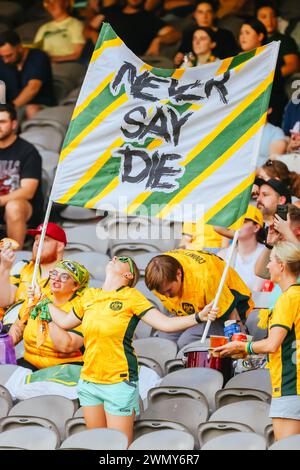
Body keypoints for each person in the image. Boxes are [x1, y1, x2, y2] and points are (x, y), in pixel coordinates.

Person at [30, 255, 218, 445]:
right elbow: (64, 321)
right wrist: (42, 301)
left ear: (128, 274)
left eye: (121, 259)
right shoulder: (90, 295)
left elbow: (165, 324)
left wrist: (198, 317)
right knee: (97, 443)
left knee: (119, 446)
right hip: (89, 380)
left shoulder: (131, 297)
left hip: (118, 381)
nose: (114, 257)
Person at [215, 242, 300, 442]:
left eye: (271, 261)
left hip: (290, 384)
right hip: (292, 382)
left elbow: (272, 345)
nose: (267, 266)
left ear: (282, 265)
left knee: (286, 447)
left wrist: (242, 346)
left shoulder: (288, 299)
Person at [145, 249, 254, 349]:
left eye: (169, 290)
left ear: (178, 274)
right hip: (196, 314)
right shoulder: (157, 279)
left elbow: (232, 314)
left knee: (186, 341)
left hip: (225, 312)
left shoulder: (205, 278)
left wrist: (241, 344)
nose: (167, 296)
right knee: (164, 340)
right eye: (162, 293)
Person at [9, 260, 89, 371]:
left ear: (75, 286)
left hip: (63, 369)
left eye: (64, 277)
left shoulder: (82, 307)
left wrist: (44, 305)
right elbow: (18, 327)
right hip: (29, 362)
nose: (56, 279)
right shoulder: (38, 295)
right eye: (54, 274)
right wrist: (5, 345)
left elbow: (66, 345)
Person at [0, 222, 67, 318]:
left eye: (45, 239)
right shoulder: (22, 266)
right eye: (36, 239)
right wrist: (4, 268)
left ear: (60, 246)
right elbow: (3, 301)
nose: (37, 243)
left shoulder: (68, 277)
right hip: (7, 326)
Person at [0, 104, 43, 249]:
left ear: (13, 124)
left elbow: (28, 191)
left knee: (14, 206)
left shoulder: (28, 151)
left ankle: (14, 260)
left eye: (2, 122)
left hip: (23, 208)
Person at [85, 0, 181, 57]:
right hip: (102, 58)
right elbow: (89, 29)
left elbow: (175, 34)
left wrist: (158, 39)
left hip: (129, 64)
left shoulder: (149, 19)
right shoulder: (111, 11)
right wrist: (94, 36)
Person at [239, 18, 287, 127]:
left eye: (247, 32)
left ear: (260, 36)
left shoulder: (271, 59)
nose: (242, 37)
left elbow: (275, 94)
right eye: (241, 33)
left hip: (266, 116)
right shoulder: (236, 60)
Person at [0, 31, 54, 119]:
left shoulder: (38, 57)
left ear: (19, 47)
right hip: (10, 106)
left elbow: (32, 88)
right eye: (2, 57)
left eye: (9, 55)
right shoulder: (2, 61)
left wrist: (10, 109)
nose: (6, 60)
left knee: (31, 108)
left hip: (39, 105)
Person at [174, 1, 238, 65]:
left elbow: (233, 58)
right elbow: (183, 55)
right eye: (200, 12)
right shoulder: (189, 34)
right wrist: (180, 58)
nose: (205, 16)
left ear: (214, 14)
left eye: (208, 12)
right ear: (195, 15)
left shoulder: (225, 34)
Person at [218, 206, 265, 291]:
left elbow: (258, 290)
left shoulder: (266, 253)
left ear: (256, 227)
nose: (237, 225)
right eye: (236, 221)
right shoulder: (223, 255)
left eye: (243, 221)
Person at [256, 2, 299, 78]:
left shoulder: (285, 40)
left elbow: (293, 65)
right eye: (263, 17)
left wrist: (269, 77)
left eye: (273, 16)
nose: (269, 20)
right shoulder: (253, 41)